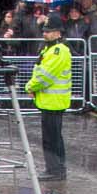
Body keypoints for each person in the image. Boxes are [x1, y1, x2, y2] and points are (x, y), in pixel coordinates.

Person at [26, 20, 71, 179]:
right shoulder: (50, 49)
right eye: (44, 31)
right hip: (49, 100)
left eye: (49, 31)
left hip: (54, 101)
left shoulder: (59, 51)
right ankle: (54, 169)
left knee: (52, 139)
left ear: (58, 32)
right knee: (51, 137)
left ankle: (56, 170)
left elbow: (45, 75)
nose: (45, 34)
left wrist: (30, 86)